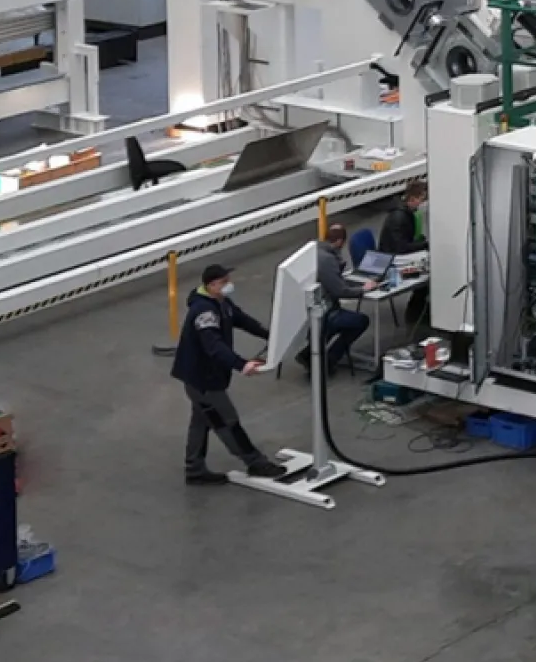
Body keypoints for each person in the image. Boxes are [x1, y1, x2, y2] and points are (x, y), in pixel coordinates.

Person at [171, 261, 289, 483]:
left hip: (203, 378)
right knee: (227, 421)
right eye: (224, 282)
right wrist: (241, 364)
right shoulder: (204, 312)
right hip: (203, 380)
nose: (229, 285)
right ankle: (255, 462)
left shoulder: (221, 302)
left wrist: (271, 335)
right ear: (211, 285)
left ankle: (194, 469)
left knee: (202, 421)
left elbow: (242, 320)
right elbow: (214, 346)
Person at [298, 222, 372, 374]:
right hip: (325, 310)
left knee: (333, 323)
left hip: (309, 306)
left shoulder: (314, 250)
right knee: (361, 321)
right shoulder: (327, 259)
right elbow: (339, 290)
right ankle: (330, 359)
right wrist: (362, 289)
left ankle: (308, 353)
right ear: (339, 242)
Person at [379, 180, 429, 256]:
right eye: (422, 200)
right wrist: (425, 245)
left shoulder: (405, 211)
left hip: (396, 250)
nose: (423, 203)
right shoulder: (399, 218)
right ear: (412, 199)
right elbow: (401, 248)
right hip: (392, 256)